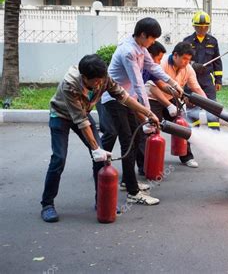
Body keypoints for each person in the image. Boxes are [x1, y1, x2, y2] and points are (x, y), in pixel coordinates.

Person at [40, 54, 160, 223]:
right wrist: (95, 148)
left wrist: (148, 113)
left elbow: (124, 97)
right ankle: (47, 204)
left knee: (101, 159)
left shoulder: (103, 77)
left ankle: (102, 202)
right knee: (59, 158)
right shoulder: (70, 84)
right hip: (60, 116)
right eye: (94, 81)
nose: (98, 84)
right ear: (84, 77)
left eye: (100, 80)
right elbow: (80, 121)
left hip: (83, 113)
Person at [101, 17, 183, 206]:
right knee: (128, 141)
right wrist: (148, 113)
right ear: (143, 35)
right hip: (114, 100)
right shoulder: (128, 52)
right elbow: (138, 83)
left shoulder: (141, 48)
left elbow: (152, 67)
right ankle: (132, 192)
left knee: (136, 138)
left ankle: (127, 181)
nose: (153, 43)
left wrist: (172, 82)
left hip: (126, 99)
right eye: (152, 39)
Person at [144, 41, 206, 168]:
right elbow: (152, 87)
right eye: (184, 59)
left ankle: (186, 157)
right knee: (152, 129)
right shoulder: (160, 63)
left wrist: (207, 104)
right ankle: (148, 164)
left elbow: (196, 88)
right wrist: (168, 105)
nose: (186, 62)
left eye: (189, 60)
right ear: (175, 55)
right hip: (152, 98)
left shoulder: (188, 68)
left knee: (182, 126)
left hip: (171, 98)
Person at [183, 10, 222, 131]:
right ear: (194, 26)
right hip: (191, 78)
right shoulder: (187, 41)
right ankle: (194, 132)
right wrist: (193, 65)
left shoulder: (213, 41)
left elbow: (217, 61)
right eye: (199, 26)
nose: (202, 29)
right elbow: (182, 60)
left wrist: (218, 80)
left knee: (212, 105)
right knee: (192, 105)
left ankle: (215, 133)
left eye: (205, 26)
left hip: (207, 79)